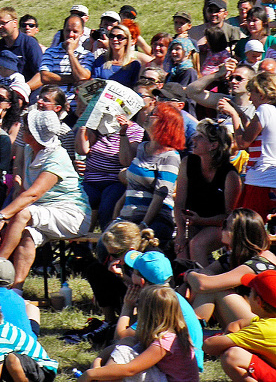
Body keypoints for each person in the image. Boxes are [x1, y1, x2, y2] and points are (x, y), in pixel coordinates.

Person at [0, 108, 90, 288]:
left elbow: (33, 194)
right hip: (44, 212)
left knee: (23, 214)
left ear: (34, 135)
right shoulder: (29, 151)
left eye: (26, 127)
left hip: (72, 215)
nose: (22, 128)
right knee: (27, 236)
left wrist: (0, 217)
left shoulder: (56, 157)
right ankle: (16, 290)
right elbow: (25, 191)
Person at [83, 284, 198, 382]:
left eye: (138, 304)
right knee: (128, 342)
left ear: (148, 312)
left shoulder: (167, 340)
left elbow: (130, 369)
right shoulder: (166, 331)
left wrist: (91, 374)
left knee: (124, 353)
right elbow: (121, 342)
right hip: (163, 376)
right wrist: (98, 361)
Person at [184, 208, 276, 327]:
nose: (222, 229)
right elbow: (206, 273)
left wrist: (188, 274)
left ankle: (189, 334)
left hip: (267, 324)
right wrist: (191, 280)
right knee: (203, 284)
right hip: (252, 317)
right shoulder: (236, 254)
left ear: (237, 233)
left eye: (225, 225)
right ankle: (187, 331)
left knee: (213, 290)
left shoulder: (258, 263)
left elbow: (203, 284)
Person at [114, 102, 184, 246]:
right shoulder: (141, 148)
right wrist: (116, 216)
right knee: (105, 247)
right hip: (129, 217)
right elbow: (126, 165)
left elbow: (160, 196)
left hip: (155, 220)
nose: (147, 115)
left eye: (153, 114)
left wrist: (144, 225)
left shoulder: (170, 156)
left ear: (164, 123)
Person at [174, 120, 240, 264]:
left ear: (213, 145)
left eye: (200, 137)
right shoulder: (188, 162)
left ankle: (205, 283)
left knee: (197, 244)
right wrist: (180, 234)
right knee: (181, 253)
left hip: (218, 226)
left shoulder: (230, 175)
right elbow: (179, 202)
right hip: (192, 223)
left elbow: (230, 217)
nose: (193, 139)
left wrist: (202, 221)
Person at [202, 270, 276, 382]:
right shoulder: (268, 322)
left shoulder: (261, 330)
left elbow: (209, 346)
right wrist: (233, 327)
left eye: (251, 292)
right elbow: (239, 323)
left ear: (259, 301)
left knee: (232, 356)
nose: (248, 295)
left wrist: (228, 336)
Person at [221, 71, 276, 219]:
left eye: (252, 93)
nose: (250, 99)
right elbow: (255, 132)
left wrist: (233, 114)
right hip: (267, 180)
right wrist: (239, 112)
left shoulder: (264, 109)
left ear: (262, 94)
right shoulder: (272, 111)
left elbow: (243, 142)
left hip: (260, 180)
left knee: (248, 227)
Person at [0, 7, 43, 89]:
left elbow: (41, 75)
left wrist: (21, 90)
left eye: (3, 23)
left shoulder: (29, 44)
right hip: (4, 96)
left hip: (29, 93)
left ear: (15, 23)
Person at [91, 23, 142, 88]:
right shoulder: (100, 60)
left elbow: (135, 88)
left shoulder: (134, 65)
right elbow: (93, 82)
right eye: (112, 36)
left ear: (126, 41)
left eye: (119, 37)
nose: (115, 39)